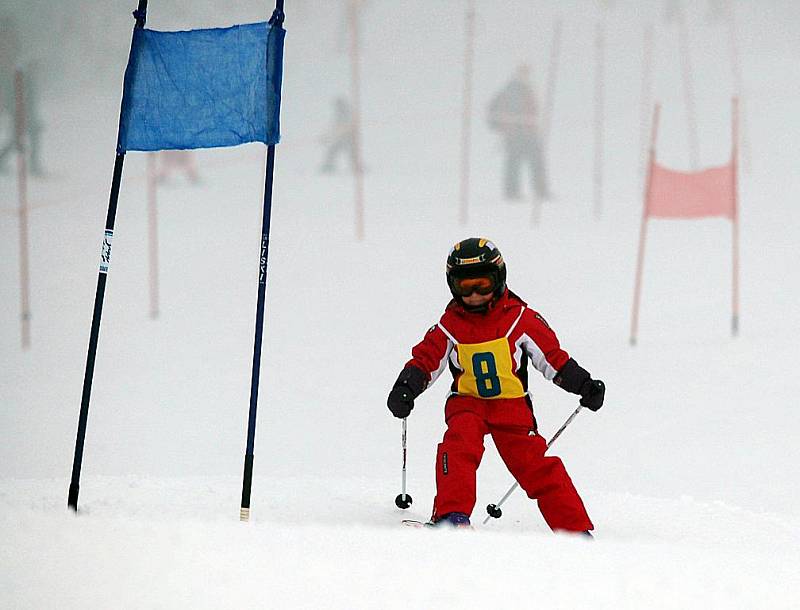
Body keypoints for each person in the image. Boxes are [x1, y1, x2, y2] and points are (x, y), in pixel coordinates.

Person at [386, 238, 605, 532]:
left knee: (537, 466)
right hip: (467, 403)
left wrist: (584, 384)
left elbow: (552, 359)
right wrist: (406, 387)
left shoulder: (520, 319)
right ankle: (452, 516)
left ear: (499, 280)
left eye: (482, 284)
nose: (475, 295)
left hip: (511, 408)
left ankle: (575, 530)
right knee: (459, 444)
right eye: (465, 287)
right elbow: (426, 360)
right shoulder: (450, 326)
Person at [488, 64, 551, 201]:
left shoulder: (526, 89)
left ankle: (538, 190)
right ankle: (514, 192)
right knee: (516, 162)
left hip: (528, 132)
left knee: (532, 161)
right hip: (516, 133)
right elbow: (500, 111)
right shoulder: (513, 91)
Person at [319, 96, 356, 174]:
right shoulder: (338, 115)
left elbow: (347, 127)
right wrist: (326, 136)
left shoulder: (346, 114)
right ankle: (328, 166)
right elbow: (334, 128)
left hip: (347, 139)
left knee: (351, 154)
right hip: (340, 139)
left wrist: (331, 136)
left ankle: (357, 167)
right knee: (332, 152)